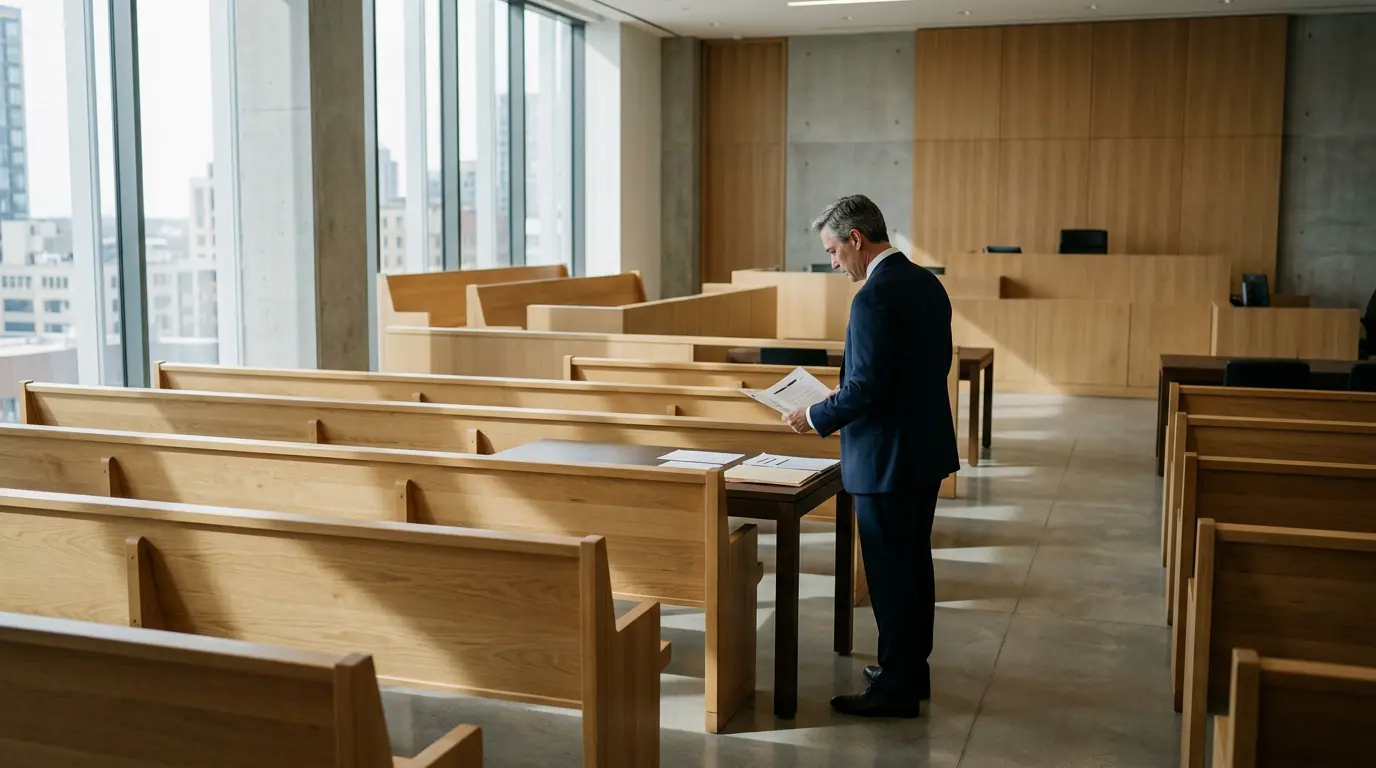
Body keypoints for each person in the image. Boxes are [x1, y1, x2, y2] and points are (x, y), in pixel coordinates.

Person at [784, 194, 960, 718]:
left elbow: (868, 388)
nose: (833, 263)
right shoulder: (927, 283)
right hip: (922, 449)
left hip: (888, 460)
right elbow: (925, 370)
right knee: (913, 567)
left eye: (834, 251)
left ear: (856, 239)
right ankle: (909, 669)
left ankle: (896, 689)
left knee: (889, 573)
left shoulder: (874, 297)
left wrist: (815, 415)